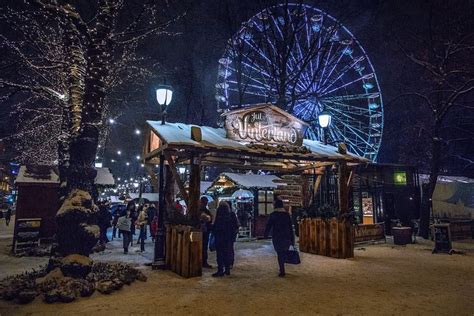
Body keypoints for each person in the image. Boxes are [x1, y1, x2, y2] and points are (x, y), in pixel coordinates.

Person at [264, 198, 295, 277]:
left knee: (279, 253)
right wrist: (292, 239)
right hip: (286, 236)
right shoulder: (286, 215)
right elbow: (290, 227)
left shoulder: (273, 215)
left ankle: (282, 269)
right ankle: (282, 267)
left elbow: (268, 226)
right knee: (284, 251)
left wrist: (265, 235)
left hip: (277, 236)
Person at [212, 201, 237, 277]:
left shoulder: (219, 215)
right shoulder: (231, 214)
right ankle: (227, 269)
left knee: (220, 254)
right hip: (228, 238)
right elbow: (235, 226)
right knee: (227, 253)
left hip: (220, 237)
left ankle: (220, 270)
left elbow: (215, 226)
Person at [199, 196, 213, 268]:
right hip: (203, 231)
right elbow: (210, 219)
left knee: (202, 247)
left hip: (203, 231)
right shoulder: (203, 210)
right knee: (203, 247)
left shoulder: (201, 210)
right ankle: (203, 261)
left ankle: (202, 261)